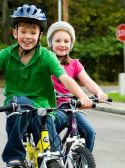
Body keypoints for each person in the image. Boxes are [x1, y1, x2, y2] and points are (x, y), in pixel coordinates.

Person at [0, 4, 93, 168]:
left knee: (53, 157)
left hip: (44, 108)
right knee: (20, 103)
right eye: (23, 32)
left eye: (33, 32)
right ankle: (14, 157)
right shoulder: (6, 55)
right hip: (18, 106)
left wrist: (82, 96)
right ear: (15, 33)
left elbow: (65, 79)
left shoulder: (47, 56)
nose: (28, 36)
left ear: (40, 35)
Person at [46, 21, 108, 152]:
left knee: (89, 133)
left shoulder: (74, 64)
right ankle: (54, 162)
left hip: (71, 107)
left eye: (66, 41)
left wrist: (99, 92)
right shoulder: (45, 61)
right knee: (49, 134)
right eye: (58, 41)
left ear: (71, 44)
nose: (62, 44)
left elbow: (89, 82)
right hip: (52, 108)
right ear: (50, 43)